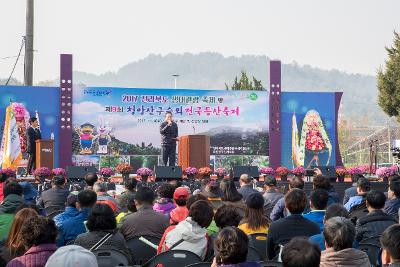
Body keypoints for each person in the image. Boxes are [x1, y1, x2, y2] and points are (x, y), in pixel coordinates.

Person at [267, 188, 320, 260]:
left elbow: (270, 255)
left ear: (286, 205)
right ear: (305, 205)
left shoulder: (274, 227)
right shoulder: (315, 227)